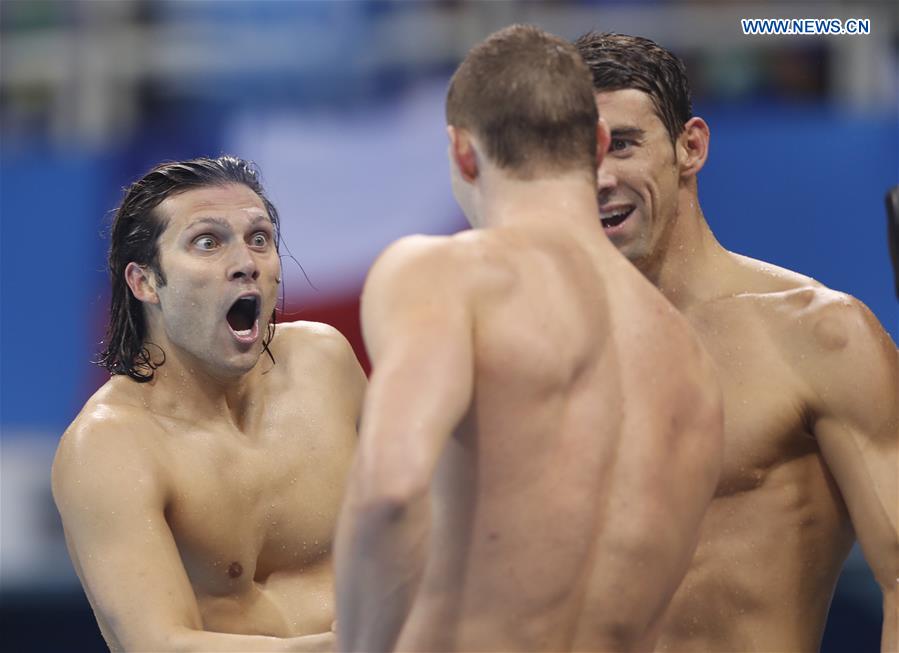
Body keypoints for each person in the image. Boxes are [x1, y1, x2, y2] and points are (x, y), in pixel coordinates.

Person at [334, 25, 723, 653]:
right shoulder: (691, 358)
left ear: (463, 152)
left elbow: (390, 490)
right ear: (597, 144)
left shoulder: (446, 274)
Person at [574, 32, 899, 653]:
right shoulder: (544, 357)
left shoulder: (818, 334)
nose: (599, 178)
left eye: (622, 145)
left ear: (690, 146)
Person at [51, 156, 365, 652]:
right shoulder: (110, 446)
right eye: (208, 242)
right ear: (145, 282)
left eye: (258, 238)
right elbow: (160, 645)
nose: (246, 262)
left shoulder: (323, 364)